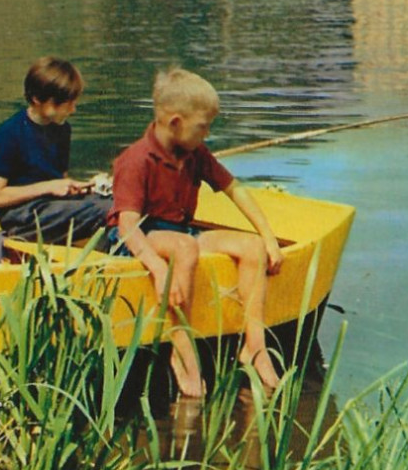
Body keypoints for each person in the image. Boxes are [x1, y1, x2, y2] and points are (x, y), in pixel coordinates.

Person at [106, 67, 285, 398]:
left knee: (251, 247)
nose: (207, 135)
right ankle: (182, 348)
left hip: (181, 234)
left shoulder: (195, 153)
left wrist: (269, 237)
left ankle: (254, 348)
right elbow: (127, 226)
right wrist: (158, 269)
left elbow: (236, 190)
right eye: (203, 127)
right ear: (175, 123)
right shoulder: (135, 161)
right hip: (140, 239)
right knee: (184, 247)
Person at [0, 57, 110, 245]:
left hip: (50, 208)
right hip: (22, 218)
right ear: (37, 99)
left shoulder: (62, 129)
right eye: (66, 104)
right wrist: (49, 186)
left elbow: (59, 182)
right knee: (107, 209)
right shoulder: (9, 133)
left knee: (117, 198)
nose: (73, 110)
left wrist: (84, 187)